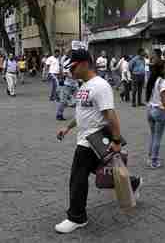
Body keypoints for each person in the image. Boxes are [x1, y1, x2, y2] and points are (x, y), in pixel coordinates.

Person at [55, 49, 142, 234]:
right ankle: (133, 183)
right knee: (104, 171)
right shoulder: (84, 85)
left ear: (85, 63)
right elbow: (82, 113)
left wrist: (117, 140)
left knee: (77, 178)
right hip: (87, 139)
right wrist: (68, 128)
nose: (71, 71)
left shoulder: (100, 86)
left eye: (74, 67)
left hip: (93, 141)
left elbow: (110, 115)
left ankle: (77, 217)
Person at [145, 60, 165, 169]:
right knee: (157, 137)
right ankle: (154, 161)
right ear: (161, 69)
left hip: (151, 110)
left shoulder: (153, 80)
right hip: (159, 112)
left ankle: (150, 157)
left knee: (153, 136)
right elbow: (164, 100)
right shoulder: (163, 82)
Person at [56, 57, 79, 121]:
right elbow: (65, 73)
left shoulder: (78, 62)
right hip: (67, 85)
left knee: (79, 100)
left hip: (75, 85)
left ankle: (80, 115)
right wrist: (73, 77)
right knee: (63, 101)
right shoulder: (67, 63)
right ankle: (59, 115)